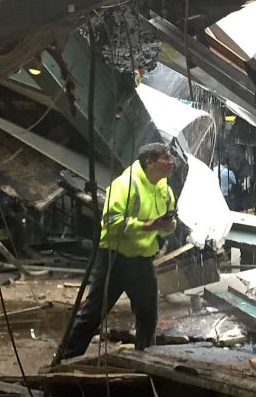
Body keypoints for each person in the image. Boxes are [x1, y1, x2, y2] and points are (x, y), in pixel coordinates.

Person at [58, 143, 178, 360]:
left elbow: (169, 222)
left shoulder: (165, 189)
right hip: (115, 259)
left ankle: (146, 358)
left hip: (142, 260)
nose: (171, 162)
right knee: (93, 314)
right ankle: (64, 359)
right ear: (149, 162)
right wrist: (148, 226)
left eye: (170, 158)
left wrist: (169, 226)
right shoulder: (125, 184)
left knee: (148, 315)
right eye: (165, 158)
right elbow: (111, 223)